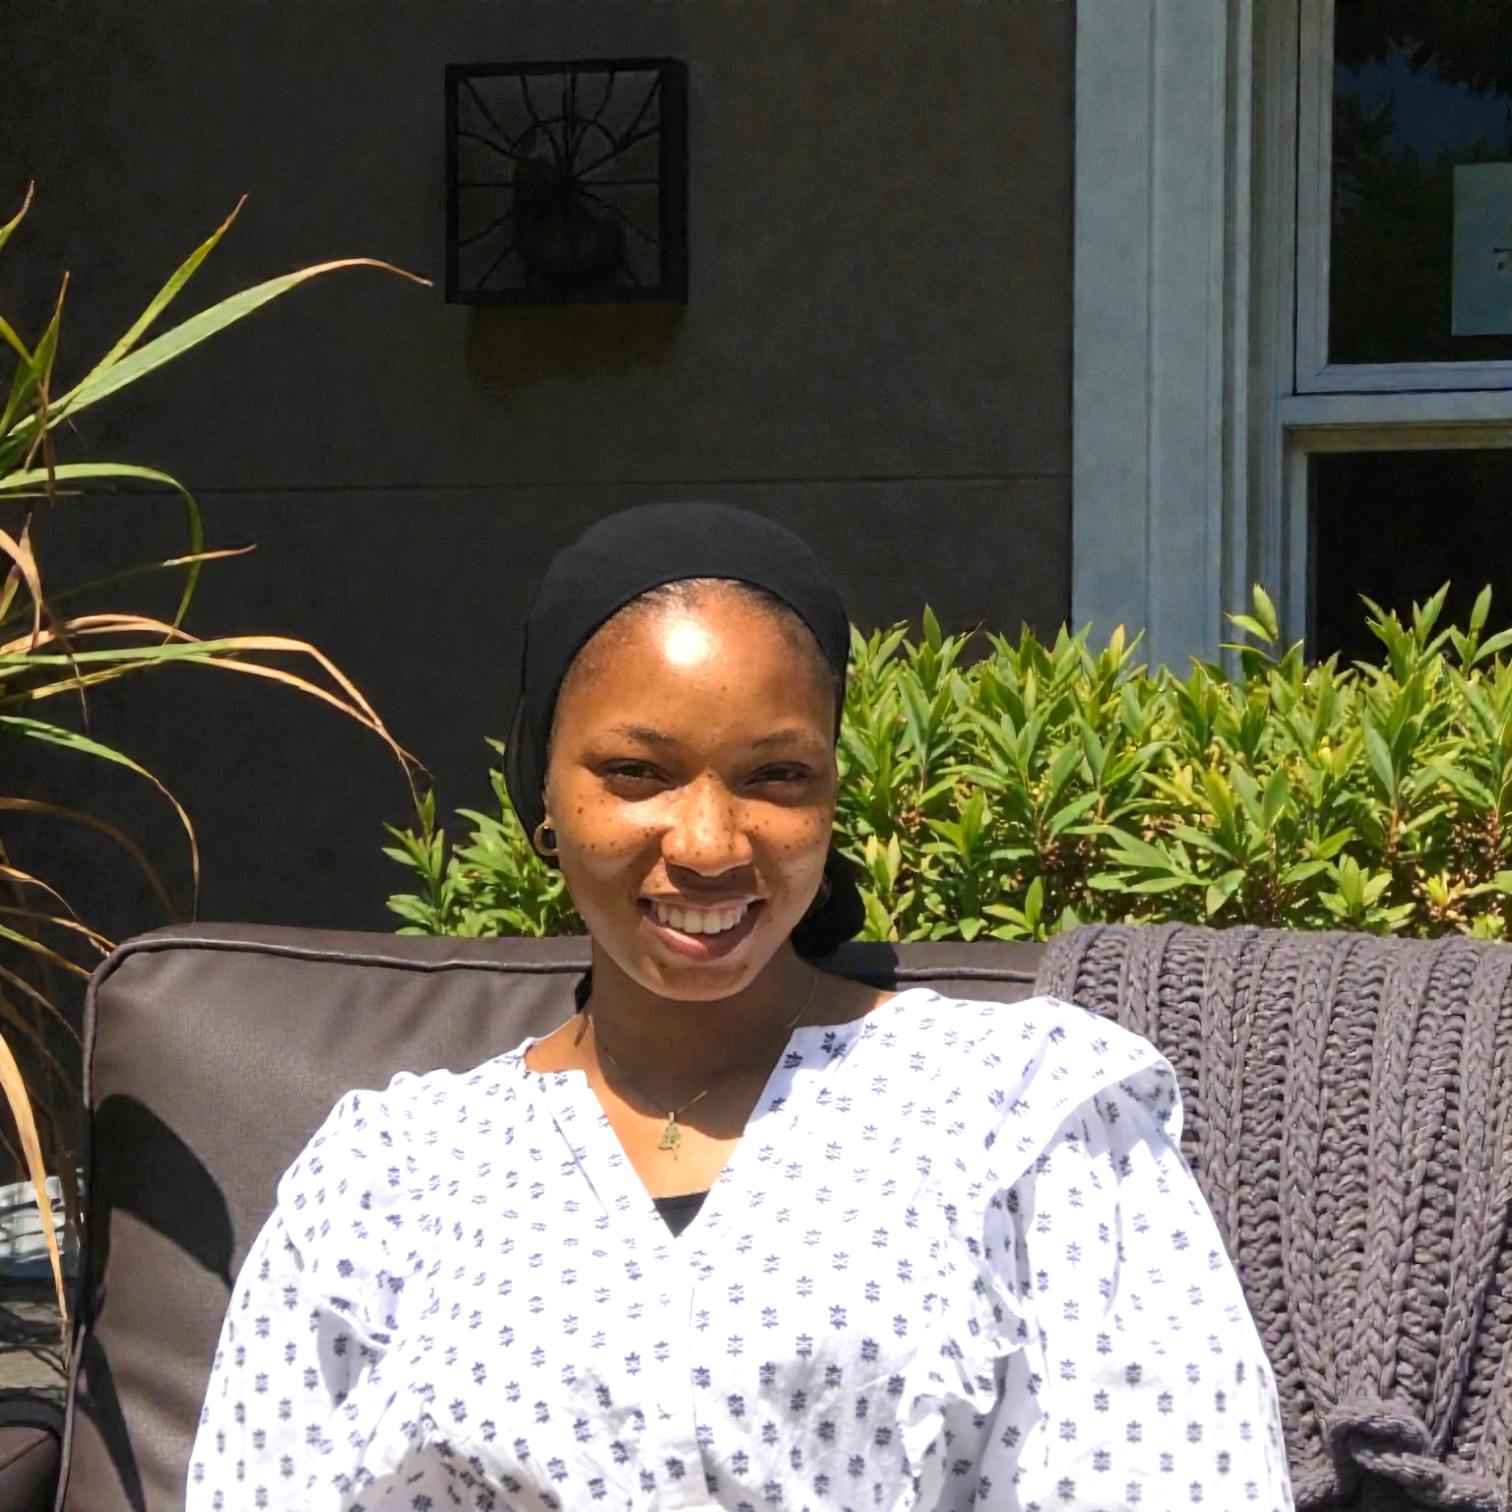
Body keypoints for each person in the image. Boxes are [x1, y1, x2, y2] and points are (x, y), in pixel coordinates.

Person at [186, 503, 1294, 1512]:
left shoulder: (1025, 1115)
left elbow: (1179, 1480)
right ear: (543, 793)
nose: (710, 844)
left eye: (777, 777)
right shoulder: (391, 1176)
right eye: (637, 772)